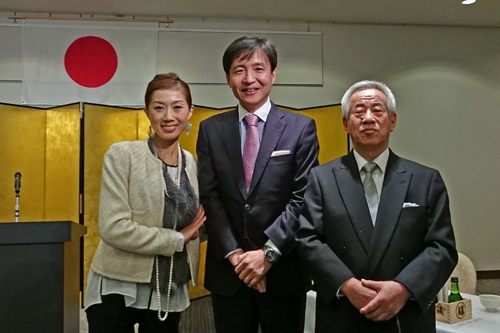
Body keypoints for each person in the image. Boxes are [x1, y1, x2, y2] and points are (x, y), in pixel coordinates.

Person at [296, 80, 458, 333]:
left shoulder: (425, 180)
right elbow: (307, 239)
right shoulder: (321, 179)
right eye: (359, 111)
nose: (368, 118)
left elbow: (442, 247)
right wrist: (348, 284)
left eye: (377, 110)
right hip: (343, 310)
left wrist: (403, 288)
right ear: (346, 124)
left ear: (392, 121)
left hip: (405, 313)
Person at [197, 36, 319, 333]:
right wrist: (237, 257)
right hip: (230, 271)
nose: (249, 79)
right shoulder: (211, 130)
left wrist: (268, 254)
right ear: (228, 78)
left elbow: (303, 198)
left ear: (273, 74)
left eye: (258, 69)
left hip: (284, 270)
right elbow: (210, 197)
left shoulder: (300, 128)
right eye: (239, 70)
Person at [85, 73, 206, 332]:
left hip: (170, 286)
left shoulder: (193, 164)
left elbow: (196, 224)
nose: (168, 116)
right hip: (119, 285)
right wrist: (176, 239)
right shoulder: (122, 155)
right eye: (159, 107)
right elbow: (113, 228)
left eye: (177, 107)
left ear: (190, 112)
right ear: (147, 112)